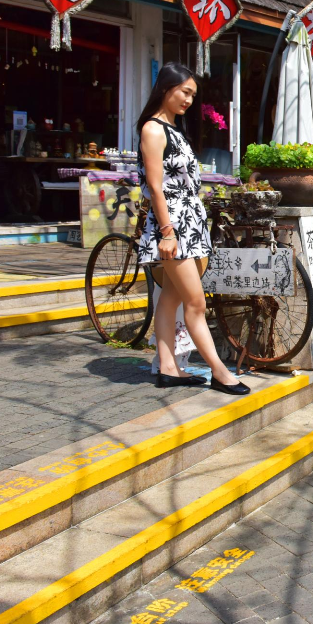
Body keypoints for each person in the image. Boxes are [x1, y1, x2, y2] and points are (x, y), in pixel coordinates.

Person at [135, 62, 249, 396]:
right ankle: (219, 372)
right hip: (173, 225)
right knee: (196, 303)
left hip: (189, 224)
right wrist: (167, 232)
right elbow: (156, 187)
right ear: (165, 88)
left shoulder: (173, 128)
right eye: (184, 91)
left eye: (192, 95)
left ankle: (168, 368)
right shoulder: (153, 129)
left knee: (170, 298)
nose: (188, 99)